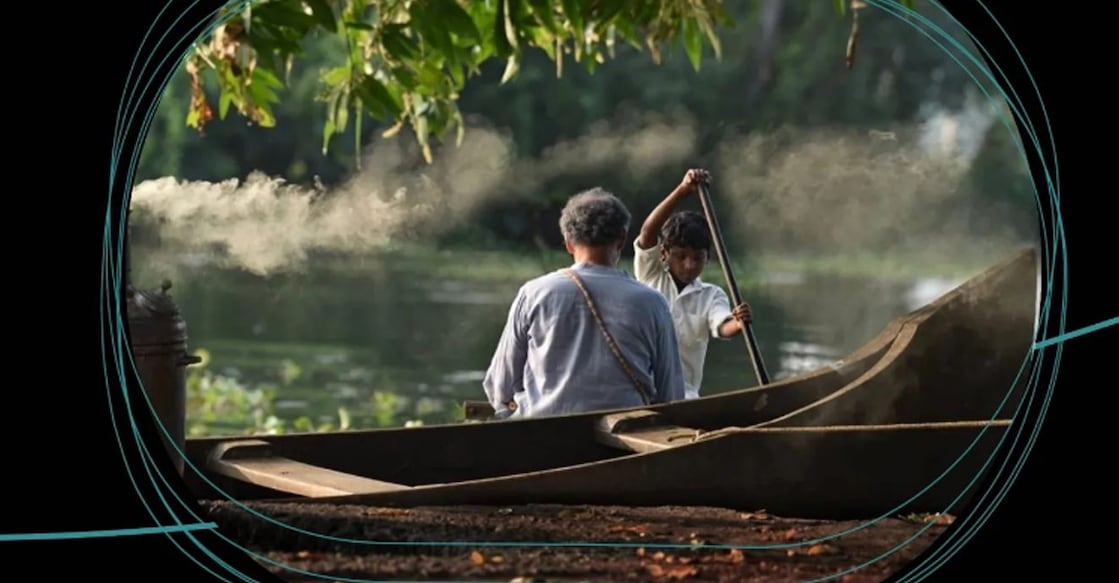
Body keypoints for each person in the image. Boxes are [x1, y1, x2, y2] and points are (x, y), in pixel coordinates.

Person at [482, 187, 688, 419]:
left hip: (541, 436)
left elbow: (500, 386)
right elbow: (671, 396)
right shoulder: (652, 302)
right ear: (621, 239)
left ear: (568, 243)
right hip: (624, 438)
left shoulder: (534, 293)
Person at [633, 168, 753, 400]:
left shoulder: (712, 295)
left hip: (683, 396)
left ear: (707, 257)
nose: (689, 265)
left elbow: (723, 326)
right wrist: (683, 190)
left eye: (698, 258)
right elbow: (648, 232)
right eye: (681, 257)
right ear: (664, 254)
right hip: (641, 391)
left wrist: (739, 324)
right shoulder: (651, 275)